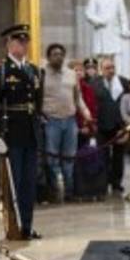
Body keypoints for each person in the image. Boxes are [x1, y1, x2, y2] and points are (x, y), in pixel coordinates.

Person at [0, 23, 44, 239]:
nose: (23, 45)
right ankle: (14, 227)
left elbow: (37, 105)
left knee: (28, 184)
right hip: (9, 135)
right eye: (19, 41)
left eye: (26, 41)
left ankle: (27, 226)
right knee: (12, 184)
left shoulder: (34, 71)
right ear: (8, 43)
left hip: (29, 133)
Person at [41, 42, 86, 203]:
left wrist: (86, 115)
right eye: (54, 54)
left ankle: (69, 192)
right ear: (48, 57)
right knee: (52, 159)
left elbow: (78, 98)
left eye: (61, 54)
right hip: (51, 120)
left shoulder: (71, 74)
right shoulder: (41, 74)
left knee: (69, 158)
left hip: (70, 120)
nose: (58, 57)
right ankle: (55, 191)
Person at [91, 56, 126, 195]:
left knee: (119, 156)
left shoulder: (123, 82)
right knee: (103, 156)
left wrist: (125, 127)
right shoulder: (94, 83)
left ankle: (116, 184)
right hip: (101, 125)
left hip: (119, 125)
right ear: (101, 69)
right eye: (107, 68)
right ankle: (103, 183)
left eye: (112, 67)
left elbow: (126, 103)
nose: (111, 70)